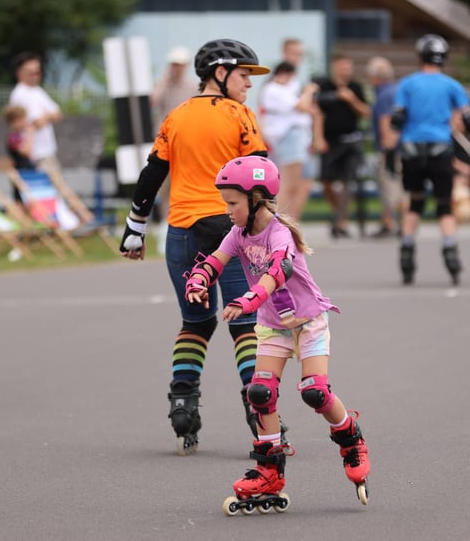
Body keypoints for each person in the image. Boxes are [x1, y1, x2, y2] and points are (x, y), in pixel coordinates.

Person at [119, 38, 289, 456]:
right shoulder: (240, 115)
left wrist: (134, 228)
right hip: (231, 233)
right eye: (244, 75)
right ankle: (260, 414)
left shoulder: (176, 116)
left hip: (181, 233)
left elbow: (152, 173)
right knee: (245, 324)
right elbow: (261, 178)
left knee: (196, 322)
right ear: (219, 73)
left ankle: (182, 404)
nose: (249, 85)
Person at [185, 156, 370, 510]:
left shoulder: (279, 232)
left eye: (233, 203)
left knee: (315, 392)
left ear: (256, 198)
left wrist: (249, 300)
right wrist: (198, 280)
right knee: (260, 392)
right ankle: (269, 469)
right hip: (273, 326)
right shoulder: (238, 234)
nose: (228, 211)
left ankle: (351, 439)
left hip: (308, 322)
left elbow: (278, 270)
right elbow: (215, 260)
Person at [388, 34, 470, 286]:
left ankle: (407, 254)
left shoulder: (407, 84)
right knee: (444, 205)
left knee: (415, 202)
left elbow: (397, 119)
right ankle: (451, 255)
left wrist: (389, 151)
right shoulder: (451, 85)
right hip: (440, 150)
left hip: (412, 151)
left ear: (420, 56)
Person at [257, 38, 318, 222]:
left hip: (299, 136)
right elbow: (301, 106)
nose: (298, 58)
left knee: (301, 184)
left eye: (300, 54)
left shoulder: (293, 81)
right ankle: (279, 224)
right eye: (294, 53)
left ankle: (290, 224)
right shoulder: (275, 86)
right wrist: (309, 92)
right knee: (288, 184)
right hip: (287, 136)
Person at [312, 54, 371, 238]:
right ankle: (339, 211)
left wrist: (351, 99)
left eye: (348, 67)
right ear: (335, 67)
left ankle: (341, 222)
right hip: (330, 141)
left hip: (351, 141)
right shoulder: (324, 86)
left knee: (348, 181)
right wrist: (318, 138)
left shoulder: (356, 87)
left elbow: (366, 112)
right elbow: (316, 112)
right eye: (343, 67)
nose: (346, 70)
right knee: (326, 182)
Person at [149, 45, 199, 255]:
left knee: (186, 188)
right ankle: (164, 231)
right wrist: (164, 80)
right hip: (165, 144)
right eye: (173, 65)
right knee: (165, 189)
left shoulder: (192, 87)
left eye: (179, 65)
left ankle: (186, 231)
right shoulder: (164, 85)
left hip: (186, 145)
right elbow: (152, 101)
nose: (176, 69)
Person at [366, 55, 403, 238]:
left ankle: (400, 224)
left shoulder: (384, 95)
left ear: (376, 77)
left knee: (391, 188)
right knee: (393, 188)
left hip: (391, 149)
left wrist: (386, 150)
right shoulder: (396, 91)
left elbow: (386, 123)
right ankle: (388, 222)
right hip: (402, 148)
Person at [8, 52, 62, 174]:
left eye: (38, 72)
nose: (36, 76)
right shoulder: (20, 94)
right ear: (20, 73)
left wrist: (46, 117)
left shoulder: (38, 91)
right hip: (34, 154)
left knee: (55, 189)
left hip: (47, 151)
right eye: (31, 72)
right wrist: (47, 116)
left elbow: (58, 114)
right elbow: (35, 122)